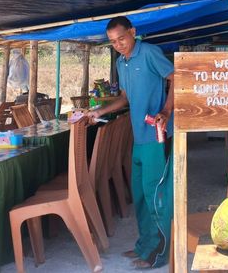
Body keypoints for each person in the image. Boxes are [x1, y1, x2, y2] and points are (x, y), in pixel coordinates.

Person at [88, 16, 174, 269]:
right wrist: (99, 112)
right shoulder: (121, 63)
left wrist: (167, 111)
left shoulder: (149, 53)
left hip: (156, 135)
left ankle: (160, 254)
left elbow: (176, 77)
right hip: (138, 138)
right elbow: (124, 99)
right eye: (113, 42)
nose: (119, 44)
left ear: (133, 32)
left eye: (122, 38)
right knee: (139, 195)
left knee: (155, 195)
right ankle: (145, 246)